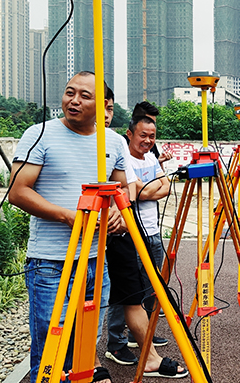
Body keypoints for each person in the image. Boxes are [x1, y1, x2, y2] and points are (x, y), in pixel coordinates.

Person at [9, 71, 129, 383]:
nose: (73, 100)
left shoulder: (114, 142)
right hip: (51, 263)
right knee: (52, 352)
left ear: (104, 105)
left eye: (84, 96)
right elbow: (18, 191)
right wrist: (67, 216)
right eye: (69, 92)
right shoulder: (39, 134)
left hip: (95, 260)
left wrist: (117, 212)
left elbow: (121, 191)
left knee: (85, 347)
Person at [104, 117, 187, 378]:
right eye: (143, 135)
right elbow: (134, 192)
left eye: (152, 135)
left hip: (151, 232)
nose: (148, 140)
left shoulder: (151, 158)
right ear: (130, 133)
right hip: (127, 231)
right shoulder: (121, 155)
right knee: (124, 291)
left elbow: (161, 188)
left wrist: (148, 189)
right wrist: (148, 189)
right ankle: (117, 342)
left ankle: (143, 336)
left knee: (144, 288)